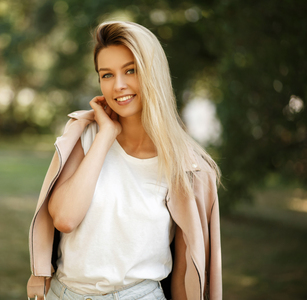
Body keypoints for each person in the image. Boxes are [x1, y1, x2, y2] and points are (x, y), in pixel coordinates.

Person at [27, 21, 222, 300]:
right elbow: (65, 218)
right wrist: (106, 135)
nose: (118, 86)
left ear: (152, 73)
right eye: (106, 75)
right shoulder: (84, 135)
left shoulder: (189, 168)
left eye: (130, 71)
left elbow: (182, 274)